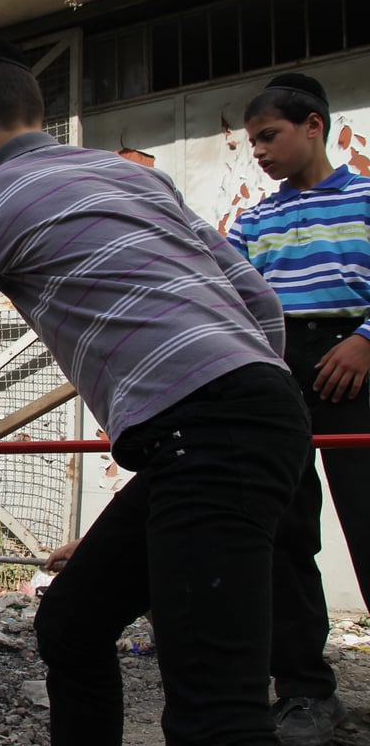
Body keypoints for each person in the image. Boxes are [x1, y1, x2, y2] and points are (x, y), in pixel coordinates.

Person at [0, 32, 313, 745]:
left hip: (207, 437)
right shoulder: (136, 179)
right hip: (231, 425)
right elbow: (259, 304)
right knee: (71, 623)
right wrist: (253, 397)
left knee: (215, 708)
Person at [224, 72, 370, 745]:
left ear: (315, 125)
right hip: (278, 376)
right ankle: (306, 691)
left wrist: (364, 343)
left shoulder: (367, 196)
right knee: (284, 540)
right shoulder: (254, 218)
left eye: (269, 135)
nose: (259, 150)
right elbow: (227, 294)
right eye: (252, 142)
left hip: (357, 372)